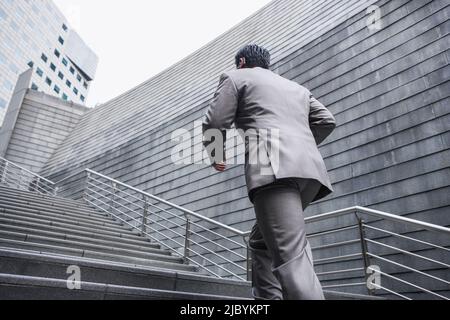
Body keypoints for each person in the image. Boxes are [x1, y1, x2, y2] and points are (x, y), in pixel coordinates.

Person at [202, 44, 336, 300]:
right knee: (260, 243)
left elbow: (215, 121)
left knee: (292, 258)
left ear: (241, 61)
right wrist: (299, 147)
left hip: (273, 170)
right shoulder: (297, 88)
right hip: (308, 174)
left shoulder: (234, 77)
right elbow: (327, 120)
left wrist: (216, 155)